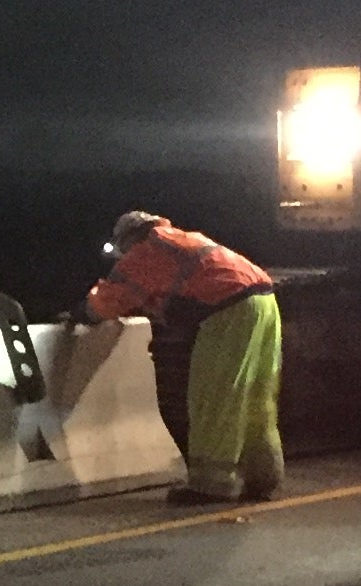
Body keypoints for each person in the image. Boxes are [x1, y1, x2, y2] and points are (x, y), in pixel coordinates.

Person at [79, 209, 282, 504]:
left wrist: (82, 312)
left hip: (228, 310)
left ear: (129, 238)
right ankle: (264, 477)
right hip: (263, 302)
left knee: (214, 397)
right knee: (254, 397)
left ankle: (211, 486)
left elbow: (111, 301)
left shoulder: (146, 251)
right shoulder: (180, 240)